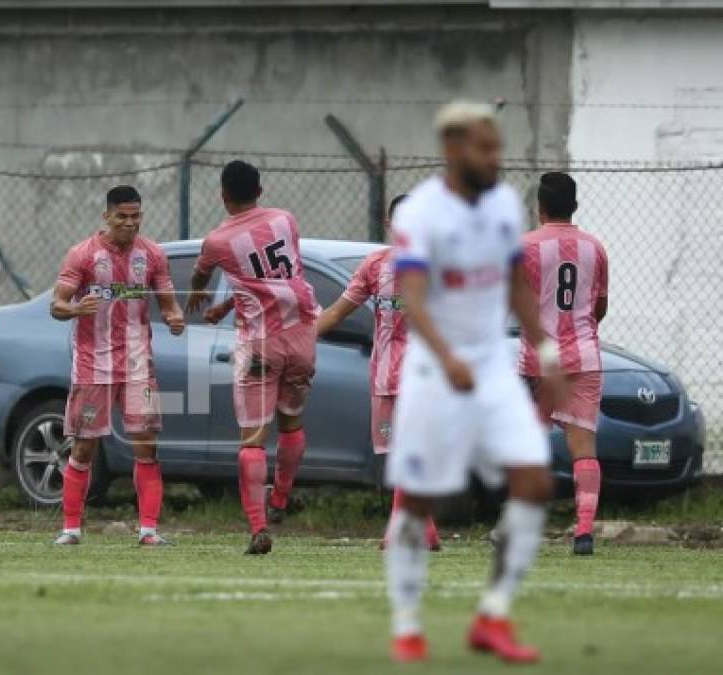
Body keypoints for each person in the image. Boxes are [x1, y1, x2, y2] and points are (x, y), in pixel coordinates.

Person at [383, 101, 565, 664]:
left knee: (534, 482)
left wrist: (546, 350)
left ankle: (493, 615)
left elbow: (515, 285)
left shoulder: (507, 206)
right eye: (485, 148)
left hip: (492, 369)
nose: (496, 158)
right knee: (418, 498)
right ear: (454, 149)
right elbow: (412, 299)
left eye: (497, 146)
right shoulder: (421, 212)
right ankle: (408, 624)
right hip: (434, 370)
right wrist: (447, 357)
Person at [186, 160, 319, 555]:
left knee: (253, 440)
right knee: (291, 423)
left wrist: (199, 293)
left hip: (259, 344)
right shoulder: (286, 221)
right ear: (260, 191)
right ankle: (280, 499)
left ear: (222, 195)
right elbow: (274, 280)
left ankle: (259, 527)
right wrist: (227, 306)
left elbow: (203, 276)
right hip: (301, 338)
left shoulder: (217, 241)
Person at [49, 185, 185, 546]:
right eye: (122, 216)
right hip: (94, 365)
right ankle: (71, 529)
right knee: (83, 447)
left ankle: (149, 531)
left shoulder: (153, 255)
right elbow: (56, 305)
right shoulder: (83, 254)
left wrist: (174, 317)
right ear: (106, 216)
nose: (129, 223)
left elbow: (170, 304)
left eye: (135, 216)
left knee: (147, 445)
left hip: (140, 365)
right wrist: (77, 308)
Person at [315, 194, 441, 552]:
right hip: (388, 375)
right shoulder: (375, 266)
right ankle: (426, 530)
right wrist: (303, 339)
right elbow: (338, 312)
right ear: (390, 225)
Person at [519, 172, 608, 556]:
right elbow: (599, 306)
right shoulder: (596, 249)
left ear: (539, 207)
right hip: (584, 357)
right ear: (574, 206)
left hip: (538, 360)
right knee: (583, 447)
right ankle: (584, 531)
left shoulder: (524, 247)